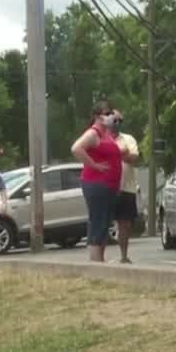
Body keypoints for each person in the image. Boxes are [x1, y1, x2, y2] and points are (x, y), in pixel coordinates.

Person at [71, 100, 124, 263]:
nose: (110, 116)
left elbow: (119, 119)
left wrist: (115, 115)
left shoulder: (106, 133)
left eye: (110, 113)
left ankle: (100, 260)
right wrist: (93, 164)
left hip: (110, 185)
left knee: (105, 224)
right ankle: (95, 263)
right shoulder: (93, 133)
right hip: (97, 184)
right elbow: (76, 148)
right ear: (97, 116)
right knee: (97, 222)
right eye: (107, 113)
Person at [109, 110, 140, 264]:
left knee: (125, 224)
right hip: (107, 188)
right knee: (101, 222)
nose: (116, 124)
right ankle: (98, 258)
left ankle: (124, 256)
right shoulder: (101, 139)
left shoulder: (128, 139)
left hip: (126, 188)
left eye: (119, 121)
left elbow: (134, 157)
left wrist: (113, 154)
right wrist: (120, 153)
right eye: (114, 120)